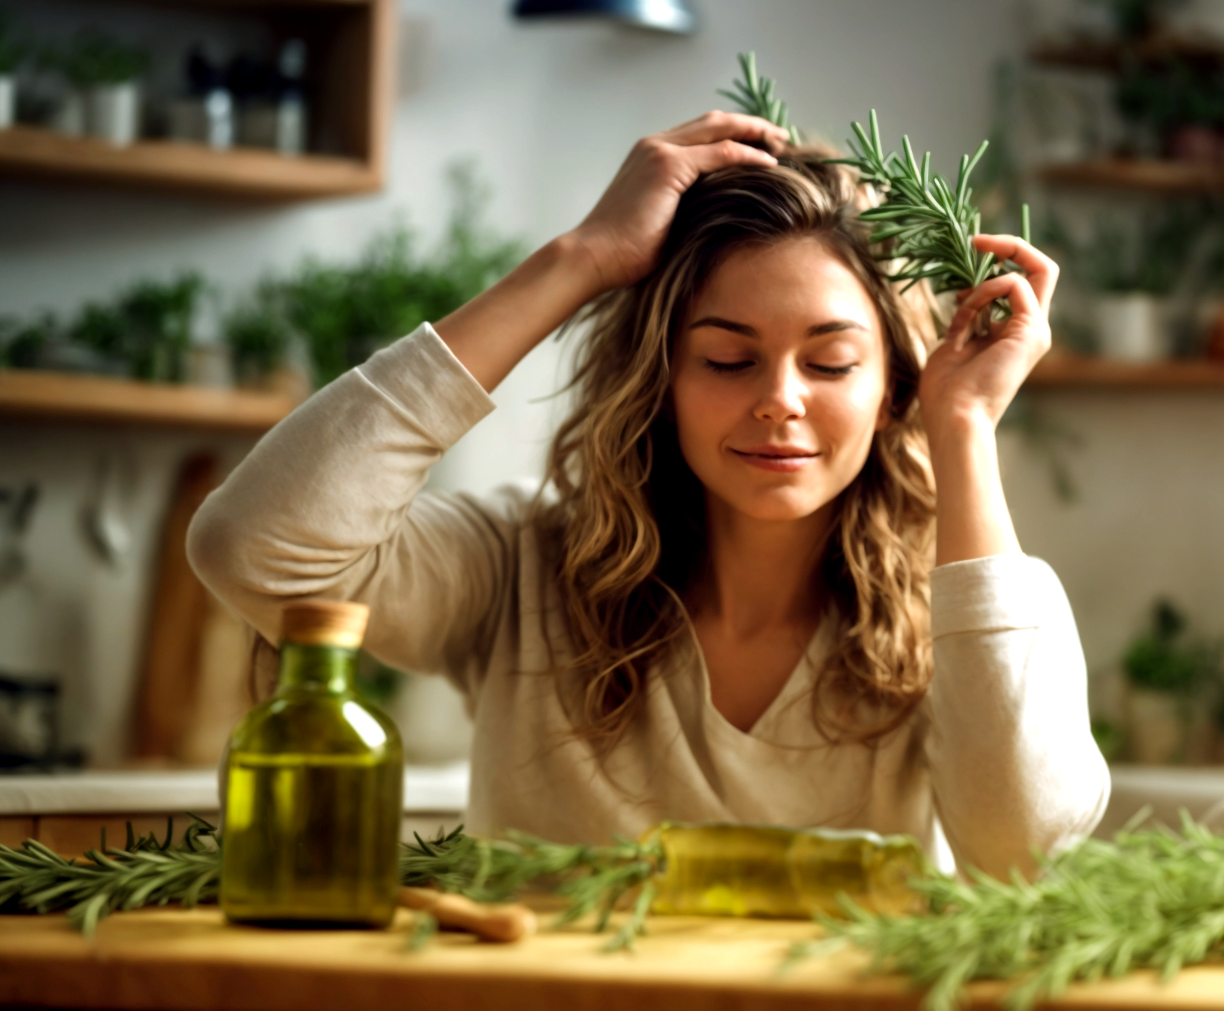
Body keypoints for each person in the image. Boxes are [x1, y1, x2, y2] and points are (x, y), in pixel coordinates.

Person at [189, 110, 1109, 877]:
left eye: (830, 362)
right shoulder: (520, 566)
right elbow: (255, 546)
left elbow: (1024, 853)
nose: (779, 399)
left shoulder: (972, 617)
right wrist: (582, 258)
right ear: (661, 378)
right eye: (726, 357)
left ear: (892, 389)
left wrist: (963, 427)